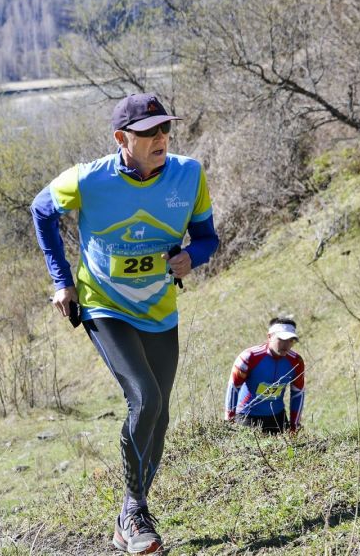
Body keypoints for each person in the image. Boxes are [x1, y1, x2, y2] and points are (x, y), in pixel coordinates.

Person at [31, 93, 219, 554]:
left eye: (165, 128)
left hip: (158, 308)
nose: (161, 138)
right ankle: (134, 512)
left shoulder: (189, 174)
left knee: (160, 414)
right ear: (122, 138)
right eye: (148, 132)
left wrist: (191, 257)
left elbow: (207, 238)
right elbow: (41, 209)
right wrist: (62, 281)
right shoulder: (88, 179)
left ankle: (129, 519)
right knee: (145, 397)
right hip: (104, 305)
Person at [224, 317, 306, 433]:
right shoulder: (249, 357)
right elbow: (233, 387)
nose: (286, 345)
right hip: (247, 417)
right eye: (281, 339)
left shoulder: (296, 361)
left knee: (289, 446)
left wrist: (294, 425)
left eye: (291, 340)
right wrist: (229, 420)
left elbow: (298, 393)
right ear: (269, 337)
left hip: (277, 417)